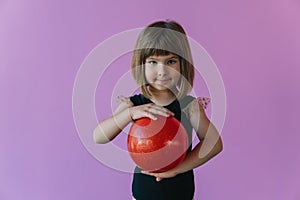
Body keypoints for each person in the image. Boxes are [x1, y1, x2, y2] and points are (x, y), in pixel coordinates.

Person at [93, 20, 223, 200]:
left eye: (171, 61)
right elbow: (98, 136)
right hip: (142, 194)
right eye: (153, 62)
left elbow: (214, 144)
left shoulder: (189, 106)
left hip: (181, 194)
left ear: (182, 65)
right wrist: (129, 114)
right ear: (141, 64)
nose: (162, 71)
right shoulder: (133, 104)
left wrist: (176, 169)